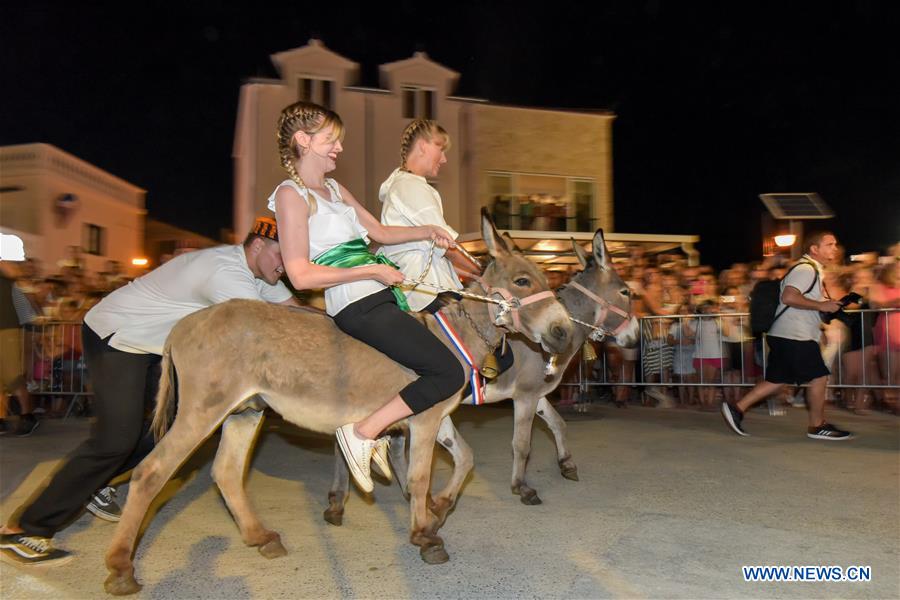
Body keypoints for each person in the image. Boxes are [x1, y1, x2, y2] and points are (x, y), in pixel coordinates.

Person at [0, 218, 298, 567]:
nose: (286, 264)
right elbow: (268, 330)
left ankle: (99, 483)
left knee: (172, 430)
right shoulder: (223, 271)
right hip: (116, 336)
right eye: (282, 253)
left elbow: (296, 311)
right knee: (115, 440)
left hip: (155, 348)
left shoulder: (262, 276)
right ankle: (26, 527)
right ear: (258, 245)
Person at [269, 101, 464, 495]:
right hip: (355, 303)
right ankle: (362, 432)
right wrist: (370, 270)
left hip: (380, 296)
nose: (339, 148)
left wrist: (427, 230)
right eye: (330, 140)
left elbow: (380, 232)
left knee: (417, 372)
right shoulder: (291, 195)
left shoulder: (336, 189)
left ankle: (372, 432)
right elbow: (299, 273)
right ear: (303, 141)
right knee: (448, 372)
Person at [721, 232, 853, 440]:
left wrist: (826, 307)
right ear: (814, 249)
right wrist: (821, 305)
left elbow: (798, 300)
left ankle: (736, 408)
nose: (835, 248)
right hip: (795, 335)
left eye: (835, 244)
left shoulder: (810, 269)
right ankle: (817, 426)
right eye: (829, 244)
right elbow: (789, 297)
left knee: (777, 379)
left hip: (786, 333)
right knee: (819, 377)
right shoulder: (805, 270)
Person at [377, 119, 480, 313]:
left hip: (422, 288)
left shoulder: (402, 185)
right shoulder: (411, 186)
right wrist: (483, 271)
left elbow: (433, 252)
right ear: (423, 146)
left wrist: (472, 274)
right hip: (427, 292)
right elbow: (448, 246)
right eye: (440, 149)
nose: (444, 159)